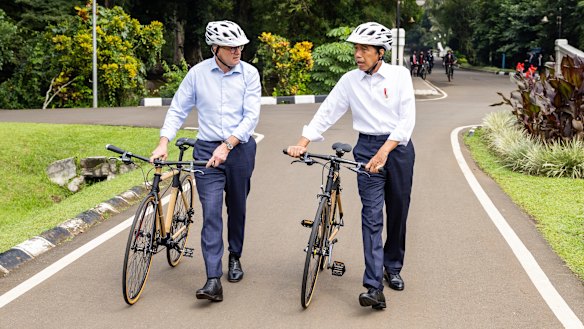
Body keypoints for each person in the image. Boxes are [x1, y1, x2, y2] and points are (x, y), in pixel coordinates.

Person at [286, 21, 415, 310]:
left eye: (364, 49)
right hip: (366, 147)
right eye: (356, 48)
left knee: (398, 210)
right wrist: (303, 142)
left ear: (380, 52)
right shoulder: (349, 81)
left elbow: (407, 120)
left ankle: (392, 266)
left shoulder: (399, 76)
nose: (358, 54)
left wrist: (385, 152)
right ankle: (373, 286)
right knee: (371, 215)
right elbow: (326, 112)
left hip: (398, 149)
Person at [150, 20, 261, 302]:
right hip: (206, 151)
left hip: (239, 150)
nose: (237, 51)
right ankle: (213, 279)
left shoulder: (249, 74)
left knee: (237, 206)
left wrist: (227, 145)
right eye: (231, 47)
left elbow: (251, 117)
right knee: (210, 212)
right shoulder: (197, 75)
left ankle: (234, 256)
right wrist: (163, 142)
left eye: (240, 46)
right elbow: (178, 108)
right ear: (215, 49)